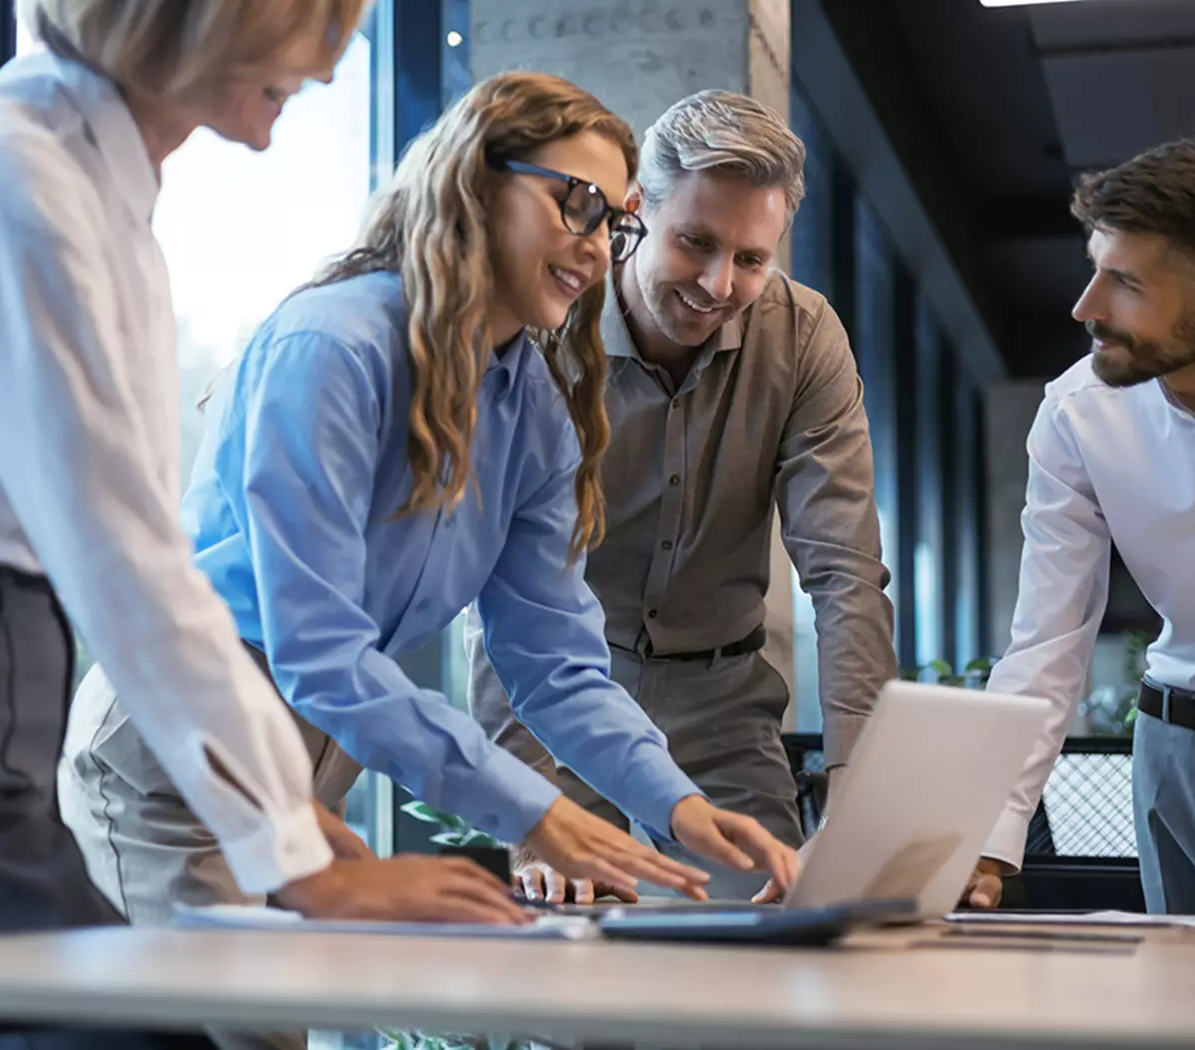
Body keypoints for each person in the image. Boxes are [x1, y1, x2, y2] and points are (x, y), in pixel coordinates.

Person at [57, 70, 797, 979]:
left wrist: (679, 806)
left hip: (315, 770)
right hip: (175, 750)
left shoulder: (532, 409)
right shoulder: (329, 349)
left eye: (611, 218)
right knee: (224, 1033)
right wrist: (530, 811)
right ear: (476, 185)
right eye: (575, 202)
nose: (597, 245)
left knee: (272, 1025)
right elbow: (318, 649)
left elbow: (554, 665)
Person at [0, 1, 529, 1048]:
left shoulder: (86, 190)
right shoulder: (13, 181)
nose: (338, 68)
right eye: (316, 24)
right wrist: (289, 853)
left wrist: (291, 826)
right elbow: (129, 562)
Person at [467, 90, 897, 903]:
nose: (718, 282)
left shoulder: (804, 339)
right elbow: (498, 597)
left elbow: (845, 572)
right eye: (696, 242)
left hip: (722, 702)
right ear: (633, 211)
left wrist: (857, 774)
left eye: (751, 259)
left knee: (771, 952)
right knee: (574, 963)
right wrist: (527, 810)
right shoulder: (545, 325)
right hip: (557, 689)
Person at [962, 133, 1195, 918]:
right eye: (1094, 267)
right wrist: (990, 833)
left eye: (1124, 283)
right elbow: (1047, 642)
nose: (1085, 307)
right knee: (1190, 1021)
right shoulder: (1075, 412)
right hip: (1174, 759)